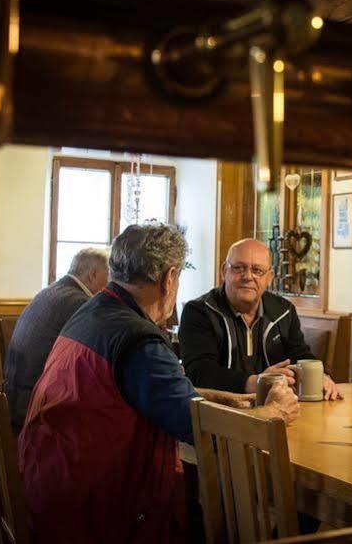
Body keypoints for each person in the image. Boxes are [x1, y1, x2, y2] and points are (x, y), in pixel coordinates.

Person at [18, 224, 300, 544]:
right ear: (169, 278)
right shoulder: (139, 340)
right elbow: (203, 431)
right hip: (99, 509)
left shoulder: (95, 311)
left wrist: (227, 400)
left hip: (52, 483)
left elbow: (149, 393)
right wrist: (274, 413)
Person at [179, 238, 342, 400]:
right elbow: (199, 371)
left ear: (269, 277)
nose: (248, 276)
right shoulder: (199, 312)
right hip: (221, 411)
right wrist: (254, 382)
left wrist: (321, 376)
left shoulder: (284, 310)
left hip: (278, 407)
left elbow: (299, 354)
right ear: (224, 271)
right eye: (238, 268)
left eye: (257, 270)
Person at [3, 247, 110, 432]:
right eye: (111, 276)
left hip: (13, 396)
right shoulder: (81, 303)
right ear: (93, 274)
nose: (111, 285)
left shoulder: (51, 290)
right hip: (33, 408)